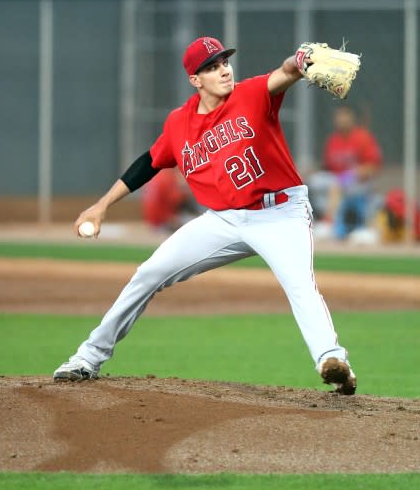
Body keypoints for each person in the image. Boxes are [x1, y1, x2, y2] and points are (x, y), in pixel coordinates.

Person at [53, 36, 357, 395]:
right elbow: (147, 165)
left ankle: (331, 360)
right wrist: (102, 205)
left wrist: (302, 60)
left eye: (224, 62)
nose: (224, 70)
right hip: (224, 220)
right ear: (195, 80)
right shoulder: (179, 123)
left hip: (280, 214)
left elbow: (286, 71)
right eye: (212, 67)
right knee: (148, 273)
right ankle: (87, 358)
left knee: (300, 286)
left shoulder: (251, 93)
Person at [308, 105, 382, 239]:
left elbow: (372, 167)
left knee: (336, 185)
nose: (341, 120)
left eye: (345, 116)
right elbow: (327, 168)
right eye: (339, 117)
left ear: (352, 118)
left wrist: (350, 175)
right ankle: (316, 221)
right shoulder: (333, 140)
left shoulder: (363, 137)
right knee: (314, 182)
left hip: (359, 183)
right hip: (337, 183)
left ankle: (329, 224)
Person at [140, 167, 198, 233]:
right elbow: (176, 199)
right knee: (196, 222)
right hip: (162, 223)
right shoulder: (169, 178)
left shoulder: (159, 175)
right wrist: (186, 191)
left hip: (151, 220)